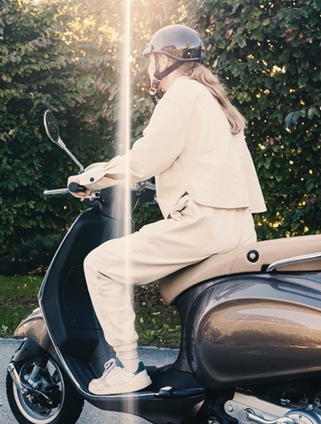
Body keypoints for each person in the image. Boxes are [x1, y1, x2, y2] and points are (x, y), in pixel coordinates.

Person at [68, 25, 267, 395]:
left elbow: (145, 157)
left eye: (151, 60)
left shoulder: (182, 95)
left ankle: (128, 368)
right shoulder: (212, 99)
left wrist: (94, 177)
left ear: (163, 60)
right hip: (238, 226)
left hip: (204, 223)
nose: (149, 68)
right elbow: (198, 164)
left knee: (100, 265)